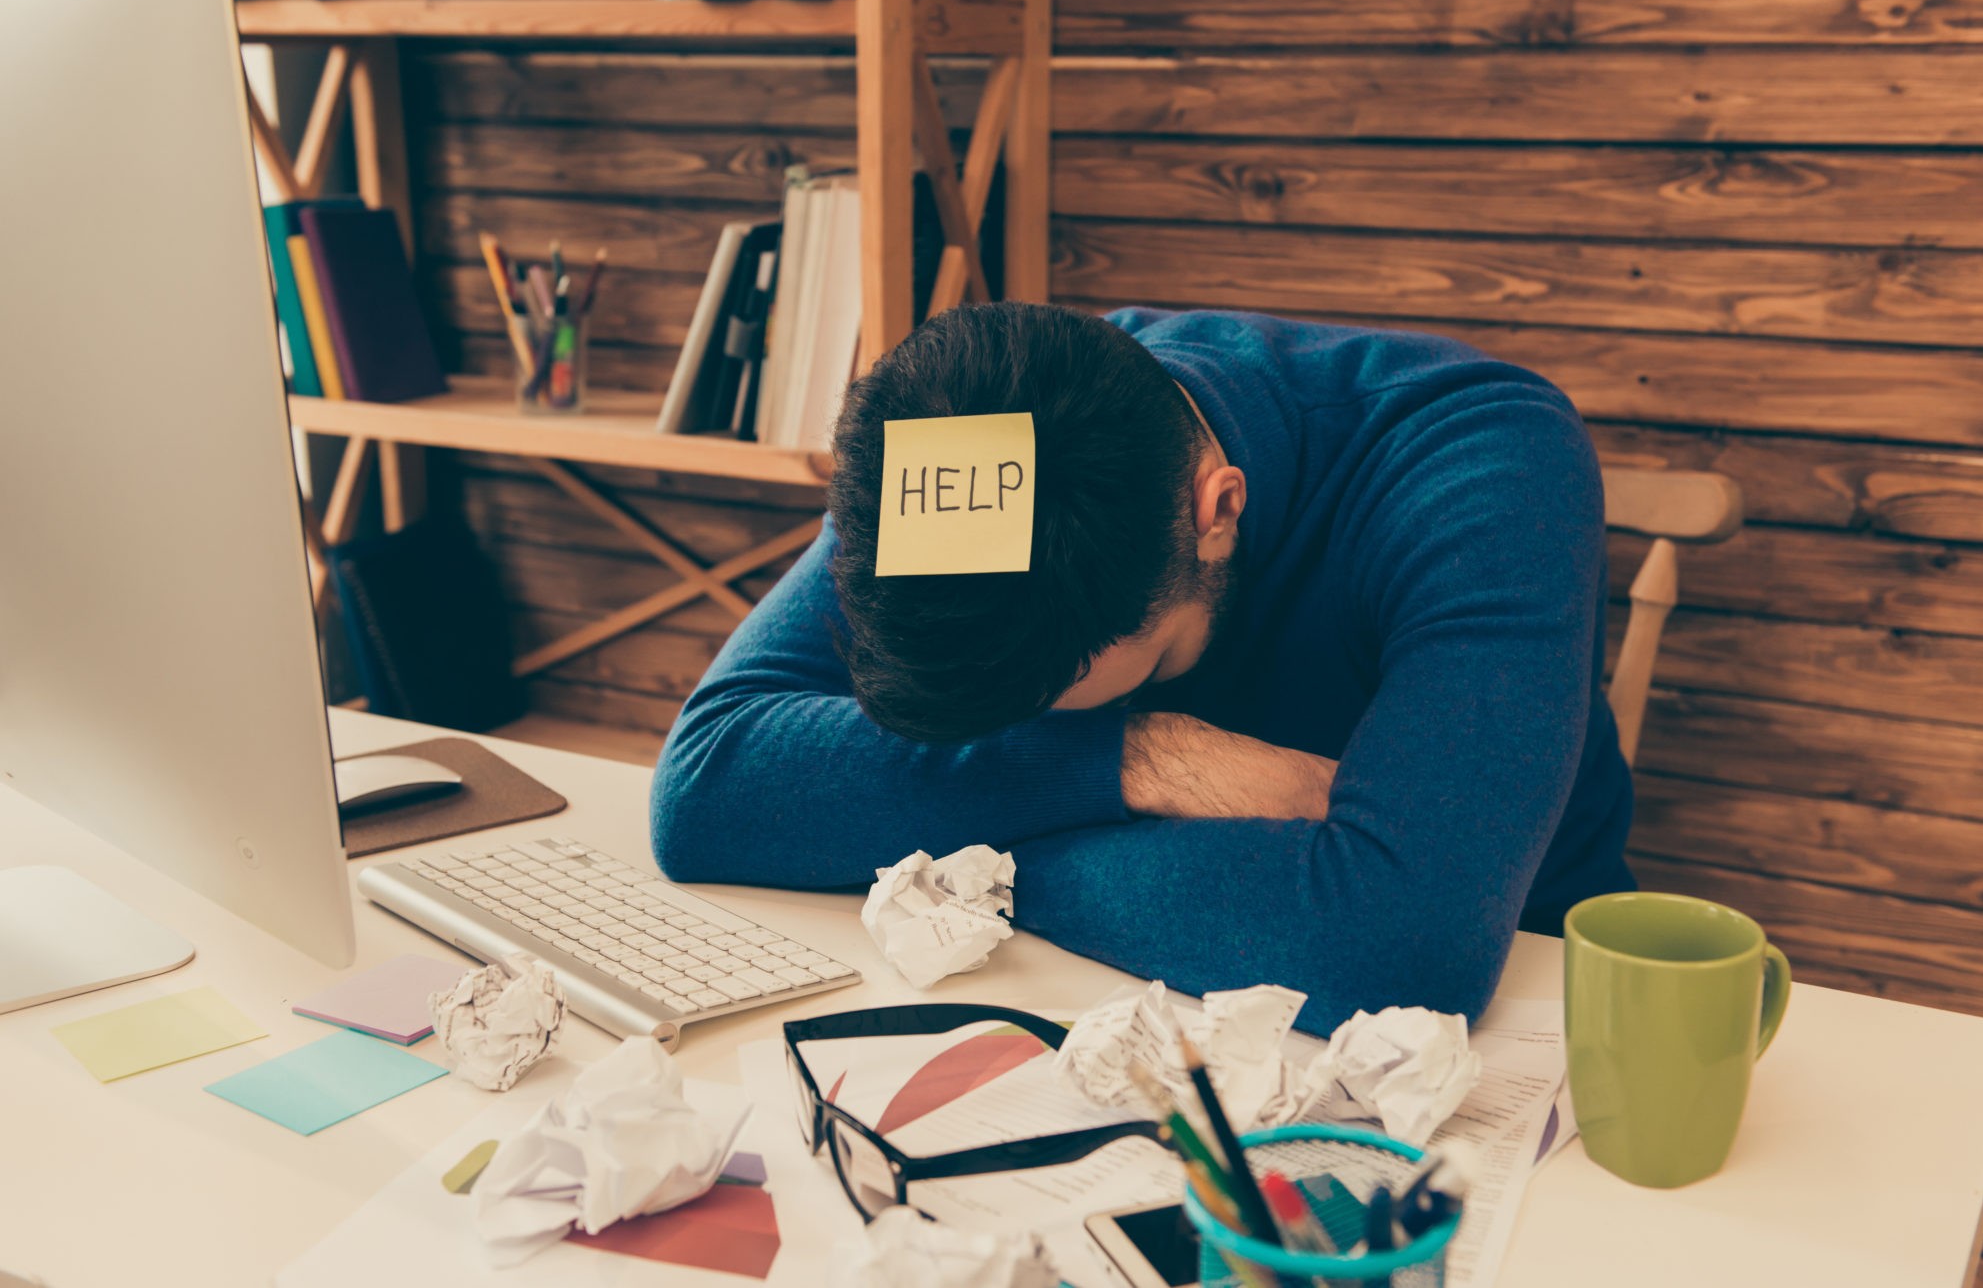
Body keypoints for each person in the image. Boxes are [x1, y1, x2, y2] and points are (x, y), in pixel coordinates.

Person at [650, 303, 1632, 1032]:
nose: (1022, 725)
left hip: (1502, 1021)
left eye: (1054, 697)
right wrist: (1135, 757)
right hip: (1093, 984)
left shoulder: (1484, 461)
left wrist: (959, 859)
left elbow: (1395, 944)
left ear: (1215, 514)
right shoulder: (983, 426)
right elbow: (705, 786)